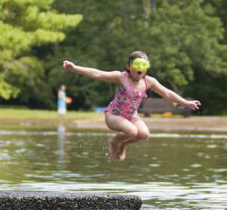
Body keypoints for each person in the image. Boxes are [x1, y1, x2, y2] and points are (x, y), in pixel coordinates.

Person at [63, 51, 200, 161]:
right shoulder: (121, 77)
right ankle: (115, 142)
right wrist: (75, 68)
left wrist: (185, 103)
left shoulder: (149, 82)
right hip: (114, 115)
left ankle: (121, 144)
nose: (140, 69)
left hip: (131, 116)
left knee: (144, 135)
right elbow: (97, 73)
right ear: (129, 66)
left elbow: (167, 93)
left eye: (144, 65)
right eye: (137, 64)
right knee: (132, 132)